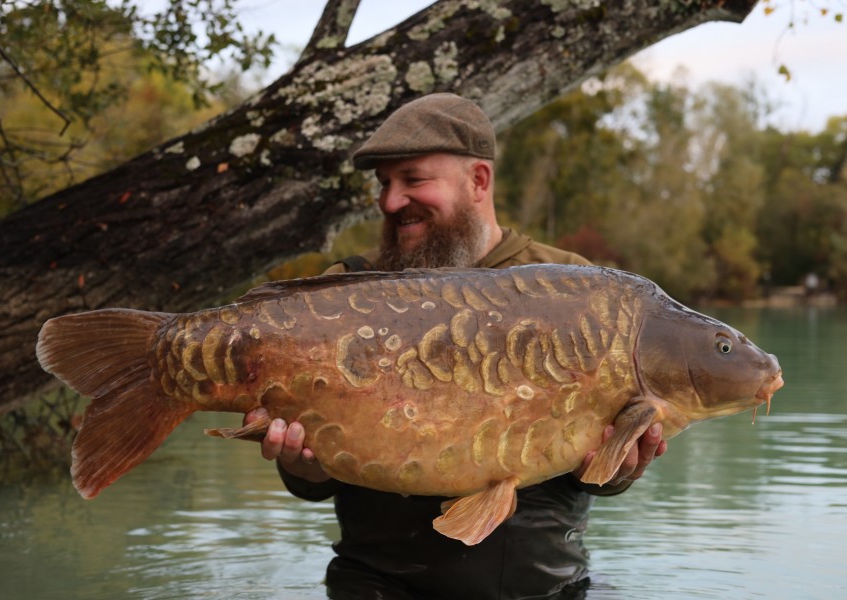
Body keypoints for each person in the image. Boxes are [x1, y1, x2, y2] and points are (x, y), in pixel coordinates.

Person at [245, 93, 667, 599]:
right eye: (384, 184)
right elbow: (313, 481)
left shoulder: (579, 291)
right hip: (376, 587)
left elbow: (595, 473)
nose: (390, 201)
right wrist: (301, 465)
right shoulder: (344, 294)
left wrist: (621, 468)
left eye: (413, 179)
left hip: (542, 588)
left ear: (478, 181)